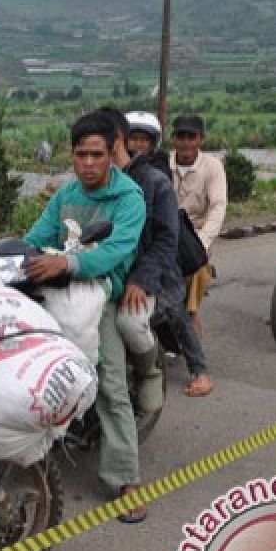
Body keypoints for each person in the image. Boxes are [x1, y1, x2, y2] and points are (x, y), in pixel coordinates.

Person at [24, 112, 148, 522]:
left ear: (113, 152)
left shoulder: (129, 197)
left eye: (97, 154)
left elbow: (118, 251)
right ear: (71, 155)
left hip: (105, 294)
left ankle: (126, 478)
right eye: (81, 155)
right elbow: (37, 237)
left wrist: (69, 264)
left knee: (110, 382)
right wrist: (10, 256)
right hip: (62, 295)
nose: (89, 163)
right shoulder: (66, 195)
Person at [93, 107, 179, 415]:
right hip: (101, 276)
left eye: (97, 145)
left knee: (129, 322)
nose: (90, 157)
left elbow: (168, 240)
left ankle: (149, 370)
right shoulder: (91, 183)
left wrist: (141, 279)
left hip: (147, 277)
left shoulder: (155, 183)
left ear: (117, 140)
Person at [126, 111, 215, 398]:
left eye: (144, 139)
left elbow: (163, 229)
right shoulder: (120, 169)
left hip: (162, 258)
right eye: (133, 138)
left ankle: (200, 370)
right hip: (132, 256)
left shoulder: (156, 173)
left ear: (153, 143)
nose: (138, 145)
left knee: (176, 313)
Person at [170, 113, 227, 343]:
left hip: (196, 234)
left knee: (198, 268)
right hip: (167, 232)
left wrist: (201, 242)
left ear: (200, 140)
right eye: (181, 136)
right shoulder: (163, 164)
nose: (186, 142)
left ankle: (192, 314)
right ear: (172, 140)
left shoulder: (212, 167)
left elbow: (218, 207)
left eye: (191, 136)